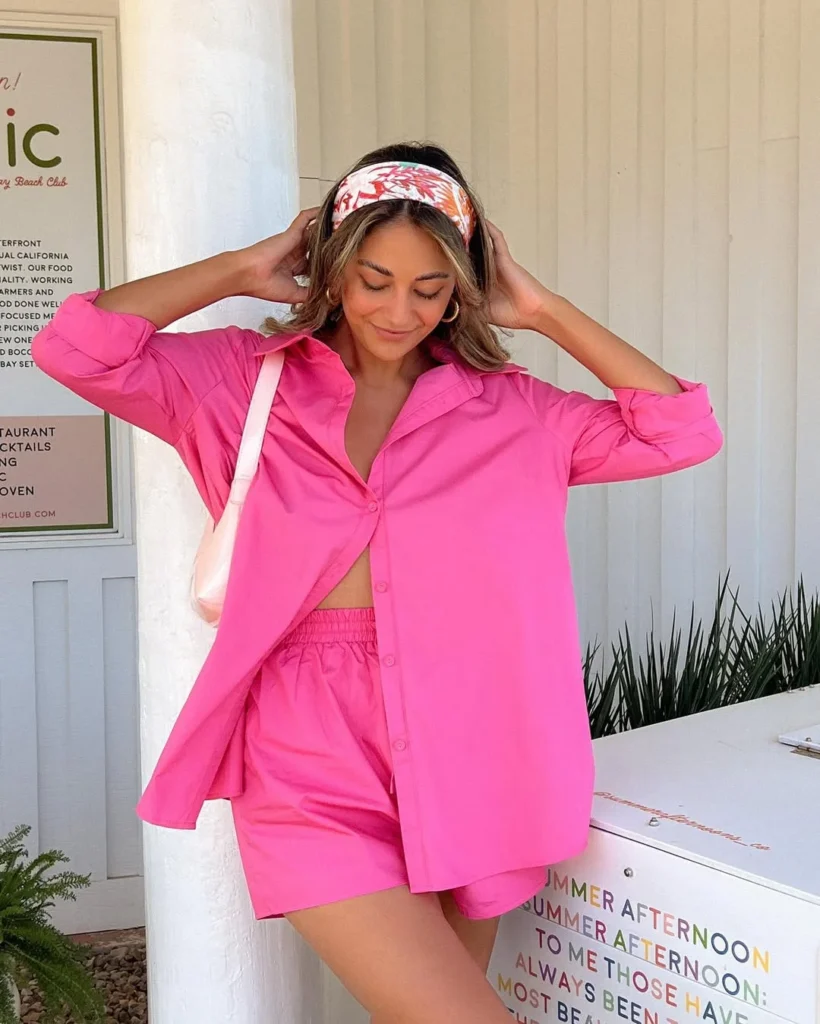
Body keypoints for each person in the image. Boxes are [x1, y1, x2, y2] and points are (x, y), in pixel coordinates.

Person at [32, 142, 723, 1022]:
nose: (400, 311)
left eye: (430, 288)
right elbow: (76, 347)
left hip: (475, 741)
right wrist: (241, 268)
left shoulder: (514, 411)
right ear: (332, 268)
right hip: (304, 751)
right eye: (373, 280)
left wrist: (543, 310)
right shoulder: (239, 383)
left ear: (463, 288)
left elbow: (680, 432)